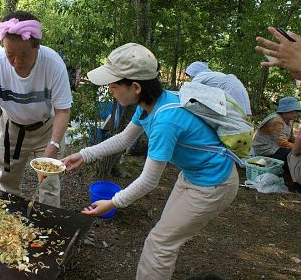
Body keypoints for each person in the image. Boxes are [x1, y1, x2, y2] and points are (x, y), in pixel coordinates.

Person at [62, 43, 238, 279]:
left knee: (160, 243)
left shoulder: (166, 120)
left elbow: (149, 181)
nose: (110, 91)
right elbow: (125, 139)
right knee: (163, 238)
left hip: (213, 184)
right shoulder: (150, 104)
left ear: (135, 87)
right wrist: (84, 155)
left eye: (114, 86)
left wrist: (113, 203)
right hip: (192, 175)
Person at [0, 10, 72, 208]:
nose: (17, 62)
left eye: (24, 54)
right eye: (10, 54)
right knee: (7, 180)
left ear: (37, 47)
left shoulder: (52, 64)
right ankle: (10, 225)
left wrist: (53, 145)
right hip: (12, 129)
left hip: (46, 130)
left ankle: (49, 227)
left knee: (49, 184)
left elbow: (63, 110)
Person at [252, 96, 300, 189]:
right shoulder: (276, 120)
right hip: (265, 148)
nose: (296, 113)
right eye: (294, 111)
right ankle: (293, 182)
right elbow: (282, 143)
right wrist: (296, 148)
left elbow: (291, 138)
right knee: (290, 155)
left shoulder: (288, 121)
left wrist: (298, 144)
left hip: (275, 146)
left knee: (294, 153)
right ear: (286, 111)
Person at [185, 61, 251, 115]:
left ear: (193, 72)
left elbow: (189, 89)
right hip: (237, 86)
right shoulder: (210, 74)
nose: (189, 77)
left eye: (189, 75)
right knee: (243, 111)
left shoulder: (200, 76)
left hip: (231, 88)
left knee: (237, 114)